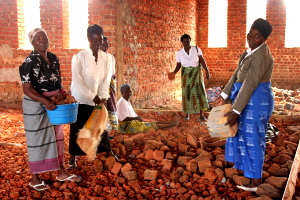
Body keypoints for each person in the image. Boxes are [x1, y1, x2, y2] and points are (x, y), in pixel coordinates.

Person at [214, 18, 274, 192]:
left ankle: (255, 181)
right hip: (243, 97)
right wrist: (224, 95)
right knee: (241, 135)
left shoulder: (262, 56)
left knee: (253, 138)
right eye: (250, 34)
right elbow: (236, 75)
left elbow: (250, 83)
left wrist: (235, 110)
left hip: (256, 100)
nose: (251, 38)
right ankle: (246, 170)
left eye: (256, 37)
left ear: (263, 39)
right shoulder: (249, 52)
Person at [19, 28, 81, 191]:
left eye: (44, 37)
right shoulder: (29, 62)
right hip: (36, 103)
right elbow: (27, 89)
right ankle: (35, 178)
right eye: (38, 39)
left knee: (57, 136)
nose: (42, 41)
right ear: (32, 43)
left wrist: (62, 94)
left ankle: (60, 171)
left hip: (54, 103)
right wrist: (45, 101)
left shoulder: (53, 58)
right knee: (38, 140)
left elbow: (57, 82)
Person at [69, 24, 112, 168]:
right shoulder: (79, 57)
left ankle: (107, 151)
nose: (97, 43)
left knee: (100, 125)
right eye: (94, 40)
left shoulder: (107, 59)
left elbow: (106, 80)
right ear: (88, 38)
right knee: (78, 127)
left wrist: (103, 96)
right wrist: (93, 96)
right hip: (81, 98)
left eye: (100, 40)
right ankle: (72, 157)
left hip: (98, 99)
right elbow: (78, 81)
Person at [168, 34, 210, 121]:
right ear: (182, 42)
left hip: (196, 73)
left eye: (188, 41)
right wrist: (174, 72)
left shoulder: (196, 49)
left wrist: (207, 71)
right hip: (186, 75)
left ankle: (201, 115)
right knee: (187, 93)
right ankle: (187, 115)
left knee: (199, 92)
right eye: (184, 41)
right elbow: (179, 64)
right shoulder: (179, 53)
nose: (186, 43)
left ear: (190, 41)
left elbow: (202, 60)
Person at [100, 37, 118, 132]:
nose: (105, 46)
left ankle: (111, 128)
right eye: (103, 44)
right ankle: (104, 128)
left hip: (110, 86)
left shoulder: (111, 57)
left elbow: (113, 73)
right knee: (103, 106)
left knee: (111, 104)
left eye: (107, 44)